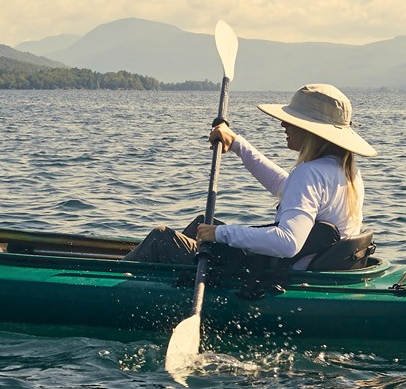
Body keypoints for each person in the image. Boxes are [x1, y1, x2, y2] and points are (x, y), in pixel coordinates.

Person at [125, 83, 375, 268]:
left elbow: (287, 243)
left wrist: (219, 233)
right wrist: (236, 144)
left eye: (291, 121)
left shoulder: (310, 173)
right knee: (201, 223)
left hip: (273, 274)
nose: (283, 125)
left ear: (310, 130)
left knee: (161, 238)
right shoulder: (344, 171)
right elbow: (283, 186)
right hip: (301, 267)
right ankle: (172, 276)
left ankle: (114, 283)